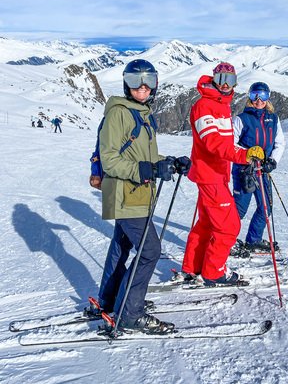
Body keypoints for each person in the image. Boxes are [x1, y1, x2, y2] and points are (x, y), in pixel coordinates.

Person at [88, 59, 190, 334]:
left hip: (135, 194)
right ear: (126, 83)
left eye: (148, 81)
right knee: (150, 251)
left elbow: (142, 157)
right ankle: (129, 313)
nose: (142, 87)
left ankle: (110, 301)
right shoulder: (119, 114)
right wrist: (147, 169)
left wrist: (168, 162)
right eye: (135, 81)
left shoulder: (140, 112)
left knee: (121, 247)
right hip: (126, 194)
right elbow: (110, 161)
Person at [181, 62, 265, 287]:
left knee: (207, 223)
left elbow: (224, 142)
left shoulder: (221, 104)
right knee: (229, 227)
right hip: (209, 175)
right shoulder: (204, 105)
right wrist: (243, 156)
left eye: (230, 79)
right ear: (214, 79)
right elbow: (212, 142)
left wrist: (243, 154)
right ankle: (213, 272)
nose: (226, 85)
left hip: (216, 174)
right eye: (221, 79)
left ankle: (193, 267)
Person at [231, 81, 285, 254]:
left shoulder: (273, 119)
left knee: (266, 206)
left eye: (263, 96)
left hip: (263, 171)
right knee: (239, 209)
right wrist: (247, 154)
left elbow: (280, 143)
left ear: (268, 98)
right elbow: (230, 144)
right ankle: (227, 241)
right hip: (244, 171)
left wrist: (273, 161)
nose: (259, 100)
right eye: (255, 95)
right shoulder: (241, 119)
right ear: (249, 96)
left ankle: (253, 240)